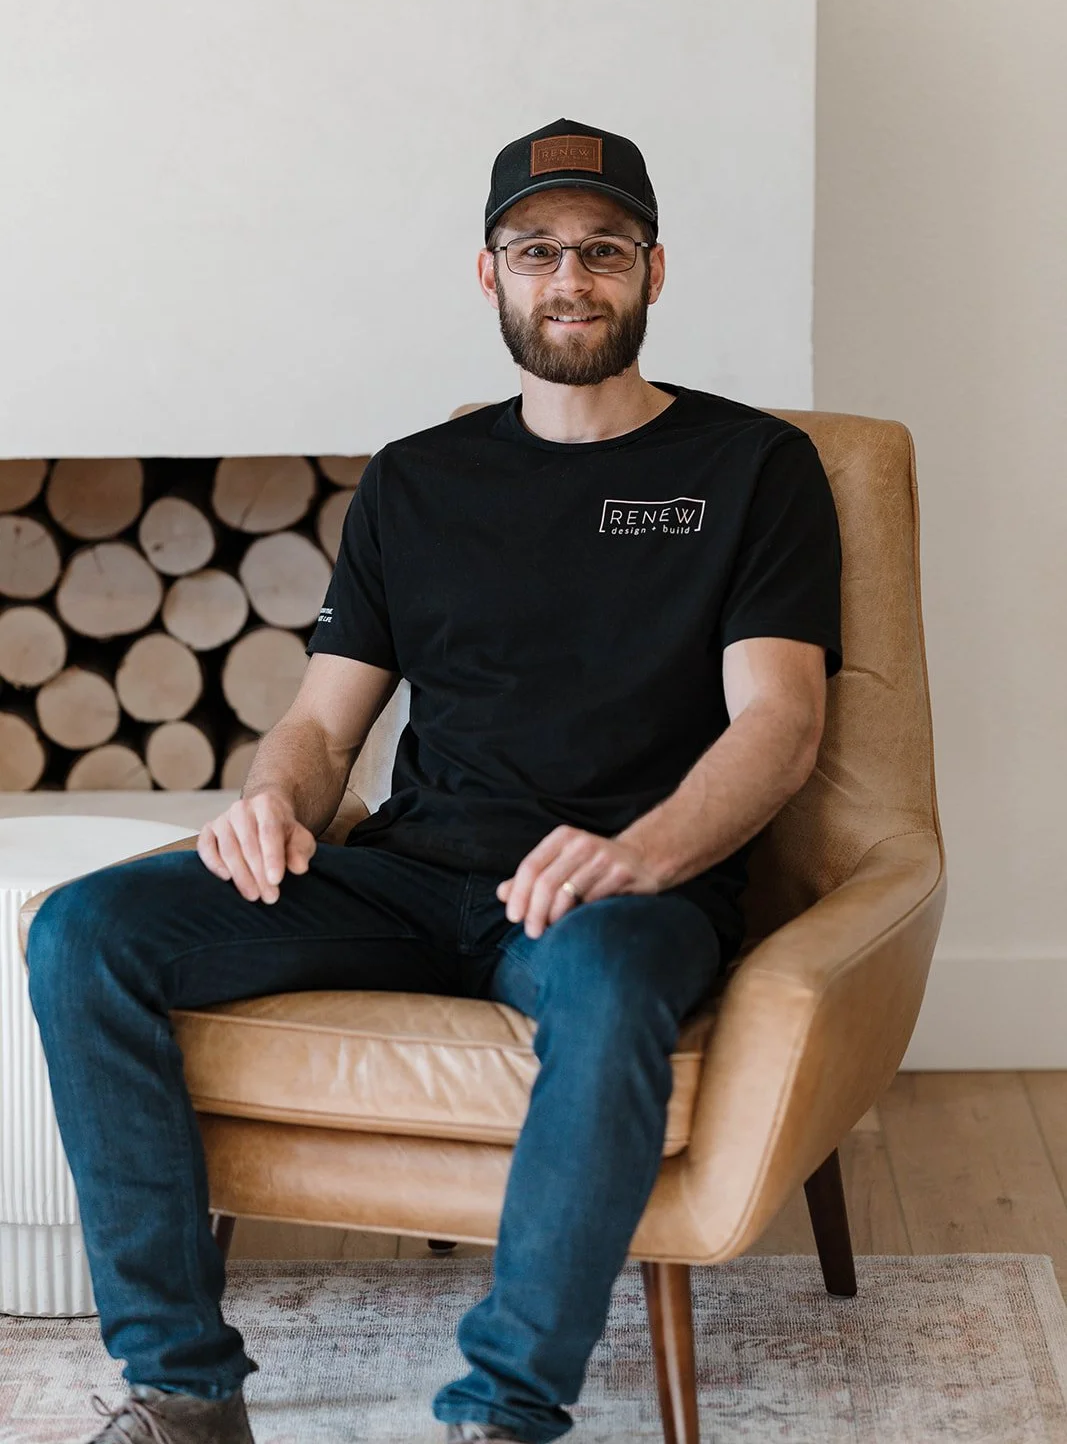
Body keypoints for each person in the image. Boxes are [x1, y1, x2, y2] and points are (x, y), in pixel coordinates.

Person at [26, 116, 843, 1444]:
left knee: (612, 977)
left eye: (602, 250)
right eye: (535, 251)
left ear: (652, 270)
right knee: (82, 931)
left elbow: (780, 722)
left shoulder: (750, 469)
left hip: (612, 897)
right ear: (488, 274)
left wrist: (639, 853)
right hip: (411, 880)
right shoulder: (414, 482)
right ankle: (180, 1390)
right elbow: (323, 723)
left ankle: (502, 1413)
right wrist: (273, 802)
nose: (569, 279)